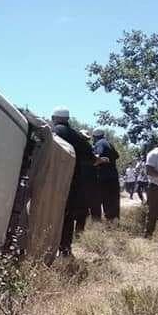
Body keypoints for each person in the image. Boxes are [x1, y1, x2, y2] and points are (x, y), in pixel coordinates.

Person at [51, 108, 104, 256]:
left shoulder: (53, 132)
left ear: (54, 117)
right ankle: (65, 250)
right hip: (73, 183)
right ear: (68, 119)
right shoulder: (77, 136)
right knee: (67, 217)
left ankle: (46, 248)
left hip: (53, 181)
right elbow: (92, 158)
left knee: (50, 213)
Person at [91, 127, 120, 220]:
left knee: (99, 200)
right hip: (113, 177)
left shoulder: (99, 143)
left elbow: (98, 156)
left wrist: (93, 164)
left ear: (94, 137)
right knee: (113, 201)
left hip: (103, 178)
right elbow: (117, 156)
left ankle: (98, 222)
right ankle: (113, 222)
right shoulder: (109, 143)